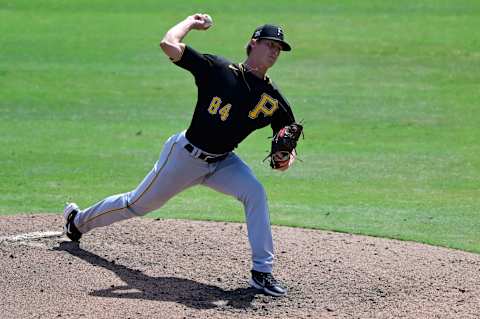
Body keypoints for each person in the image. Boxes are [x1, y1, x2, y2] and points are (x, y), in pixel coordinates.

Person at [63, 13, 299, 297]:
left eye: (278, 48)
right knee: (136, 204)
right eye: (270, 44)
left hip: (223, 162)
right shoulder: (218, 68)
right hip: (184, 157)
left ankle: (262, 272)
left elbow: (287, 138)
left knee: (255, 192)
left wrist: (286, 159)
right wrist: (190, 22)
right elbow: (168, 44)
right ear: (253, 43)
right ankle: (77, 221)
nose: (274, 51)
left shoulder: (272, 99)